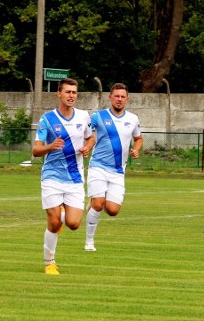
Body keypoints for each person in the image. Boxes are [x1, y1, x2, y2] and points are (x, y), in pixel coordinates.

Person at [32, 78, 95, 275]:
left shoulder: (84, 117)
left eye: (74, 93)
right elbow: (35, 150)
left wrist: (87, 147)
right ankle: (50, 262)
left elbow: (91, 136)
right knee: (53, 222)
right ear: (58, 94)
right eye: (67, 92)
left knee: (74, 224)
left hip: (75, 178)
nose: (71, 96)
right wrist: (51, 146)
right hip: (51, 177)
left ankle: (61, 216)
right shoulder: (47, 120)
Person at [84, 83, 143, 251]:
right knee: (98, 204)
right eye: (116, 96)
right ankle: (89, 242)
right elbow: (89, 136)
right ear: (110, 97)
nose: (119, 99)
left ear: (127, 99)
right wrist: (86, 148)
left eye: (122, 96)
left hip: (118, 171)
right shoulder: (98, 116)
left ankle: (95, 200)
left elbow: (138, 138)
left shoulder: (132, 119)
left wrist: (136, 150)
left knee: (112, 210)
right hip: (98, 167)